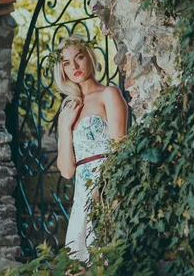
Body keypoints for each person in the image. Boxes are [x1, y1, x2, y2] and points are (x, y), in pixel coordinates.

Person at [50, 34, 128, 265]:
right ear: (61, 69)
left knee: (105, 260)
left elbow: (119, 148)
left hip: (106, 187)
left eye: (79, 57)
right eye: (66, 63)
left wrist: (106, 190)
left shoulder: (109, 94)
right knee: (78, 265)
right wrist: (65, 126)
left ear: (89, 58)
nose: (74, 66)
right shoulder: (68, 107)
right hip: (81, 195)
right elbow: (66, 171)